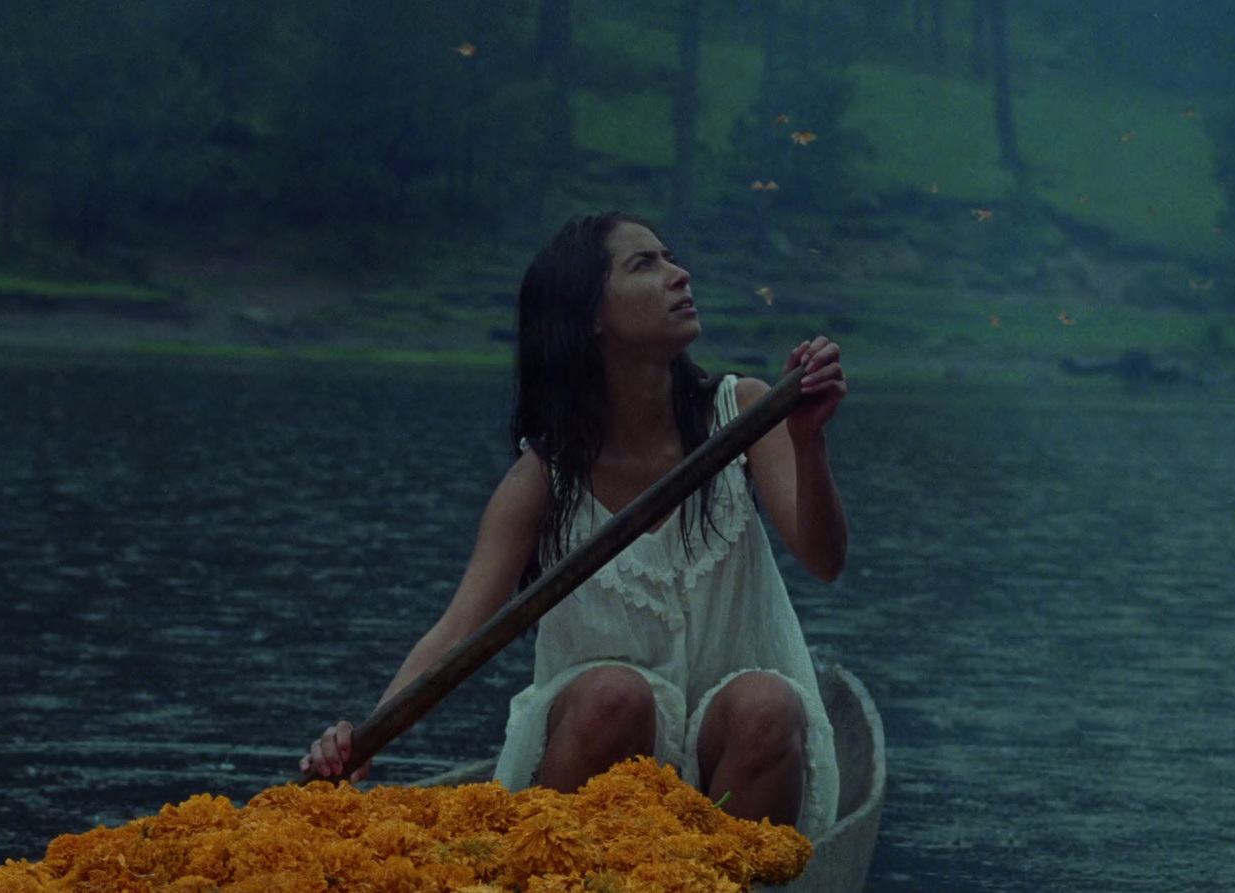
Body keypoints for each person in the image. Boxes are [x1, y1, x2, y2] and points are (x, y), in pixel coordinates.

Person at [302, 211, 848, 837]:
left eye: (671, 258)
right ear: (591, 316)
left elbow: (824, 560)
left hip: (740, 772)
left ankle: (715, 877)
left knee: (766, 703)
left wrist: (809, 442)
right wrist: (361, 738)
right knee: (616, 695)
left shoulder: (744, 412)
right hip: (596, 765)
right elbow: (456, 629)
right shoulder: (542, 479)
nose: (679, 275)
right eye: (646, 265)